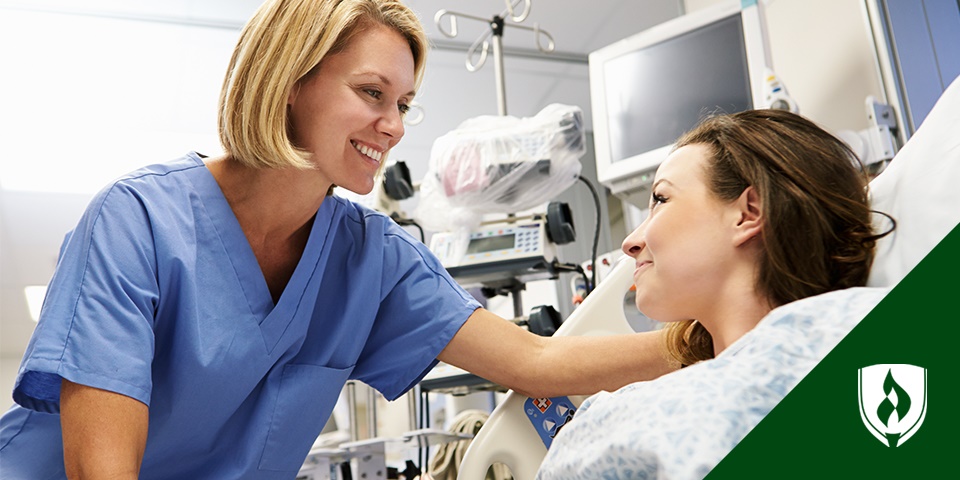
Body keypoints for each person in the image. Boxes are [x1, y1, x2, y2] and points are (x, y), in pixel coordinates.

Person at [0, 1, 675, 479]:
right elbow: (102, 472)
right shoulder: (136, 221)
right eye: (372, 93)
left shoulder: (371, 260)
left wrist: (704, 338)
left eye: (404, 105)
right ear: (292, 81)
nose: (394, 126)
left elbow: (535, 364)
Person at [536, 109, 893, 479]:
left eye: (660, 199)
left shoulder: (616, 425)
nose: (630, 242)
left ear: (747, 213)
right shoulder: (887, 331)